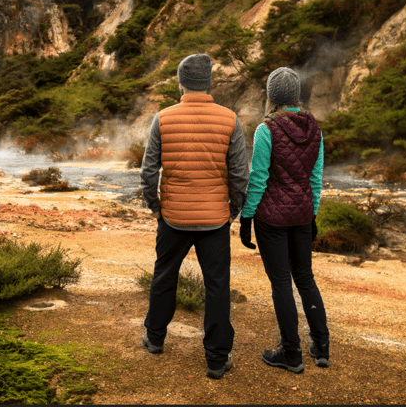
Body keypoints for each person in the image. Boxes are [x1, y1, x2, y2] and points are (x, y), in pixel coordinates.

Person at [140, 53, 249, 380]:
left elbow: (148, 172)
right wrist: (233, 209)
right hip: (215, 219)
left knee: (164, 278)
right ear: (209, 83)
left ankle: (155, 339)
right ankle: (216, 359)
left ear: (181, 82)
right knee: (217, 287)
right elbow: (240, 174)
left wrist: (156, 207)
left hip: (173, 217)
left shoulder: (163, 118)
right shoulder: (230, 119)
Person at [239, 66, 330, 374]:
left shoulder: (267, 129)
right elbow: (315, 179)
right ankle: (321, 346)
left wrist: (246, 217)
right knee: (305, 278)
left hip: (272, 220)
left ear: (272, 96)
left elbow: (259, 178)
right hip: (303, 217)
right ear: (296, 95)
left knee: (281, 283)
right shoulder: (315, 128)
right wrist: (312, 213)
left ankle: (291, 353)